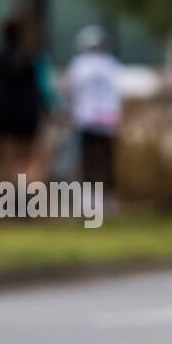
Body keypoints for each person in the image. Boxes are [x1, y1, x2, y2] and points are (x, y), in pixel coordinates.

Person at [0, 15, 46, 190]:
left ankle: (10, 194)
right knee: (27, 157)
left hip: (2, 115)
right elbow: (38, 89)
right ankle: (24, 193)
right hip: (27, 117)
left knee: (6, 158)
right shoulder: (30, 59)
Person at [67, 25, 123, 209]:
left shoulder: (78, 65)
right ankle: (108, 200)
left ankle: (90, 201)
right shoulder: (111, 65)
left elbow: (73, 92)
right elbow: (118, 93)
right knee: (106, 161)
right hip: (107, 120)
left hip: (87, 119)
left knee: (88, 162)